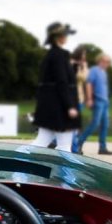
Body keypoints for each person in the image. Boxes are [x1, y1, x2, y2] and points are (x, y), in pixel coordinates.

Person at [30, 22, 80, 152]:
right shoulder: (59, 55)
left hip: (52, 105)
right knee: (63, 146)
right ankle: (67, 173)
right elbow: (61, 81)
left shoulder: (53, 54)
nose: (66, 37)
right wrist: (69, 106)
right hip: (59, 107)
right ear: (58, 37)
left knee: (42, 141)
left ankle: (17, 163)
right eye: (64, 34)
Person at [76, 53, 112, 155]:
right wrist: (89, 99)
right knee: (95, 124)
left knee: (105, 125)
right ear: (99, 61)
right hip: (97, 100)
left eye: (108, 62)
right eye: (105, 61)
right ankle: (78, 144)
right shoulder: (94, 70)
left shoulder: (104, 72)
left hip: (105, 102)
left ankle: (102, 148)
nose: (106, 64)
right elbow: (89, 84)